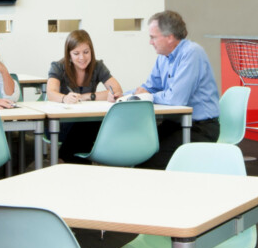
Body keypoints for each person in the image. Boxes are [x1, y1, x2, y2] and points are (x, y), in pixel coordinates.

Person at [132, 10, 219, 169]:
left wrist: (149, 96)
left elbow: (176, 99)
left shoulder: (192, 53)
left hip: (200, 128)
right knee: (137, 152)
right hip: (174, 124)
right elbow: (149, 87)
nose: (150, 42)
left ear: (170, 37)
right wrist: (126, 95)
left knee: (149, 164)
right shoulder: (163, 57)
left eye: (153, 37)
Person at [45, 29, 123, 163]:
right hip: (61, 123)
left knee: (96, 122)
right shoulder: (58, 67)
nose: (82, 58)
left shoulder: (97, 66)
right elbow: (51, 93)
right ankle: (70, 160)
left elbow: (117, 90)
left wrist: (88, 96)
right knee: (89, 124)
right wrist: (64, 98)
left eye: (86, 52)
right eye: (76, 53)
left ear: (91, 51)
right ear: (69, 54)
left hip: (85, 122)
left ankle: (64, 158)